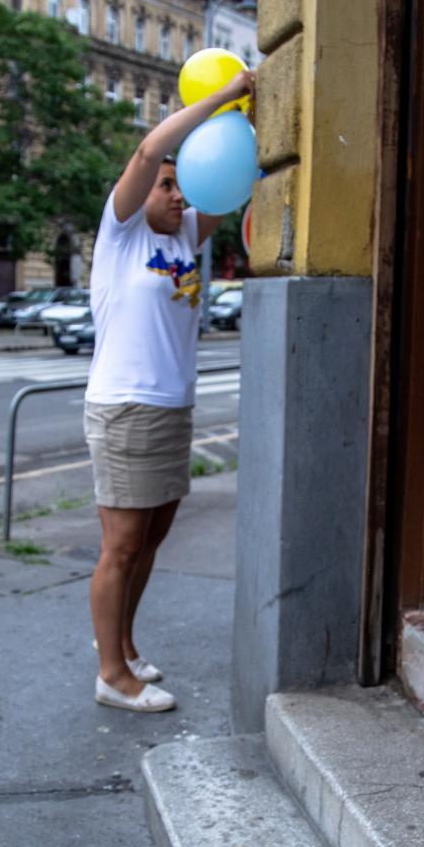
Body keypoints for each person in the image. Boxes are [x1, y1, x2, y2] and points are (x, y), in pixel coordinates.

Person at [84, 71, 254, 712]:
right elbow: (148, 151)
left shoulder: (185, 236)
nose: (179, 195)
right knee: (121, 545)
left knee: (150, 539)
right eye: (168, 186)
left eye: (184, 186)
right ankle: (109, 675)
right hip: (125, 406)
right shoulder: (121, 235)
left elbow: (235, 177)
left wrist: (248, 116)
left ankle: (125, 646)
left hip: (171, 405)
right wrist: (220, 98)